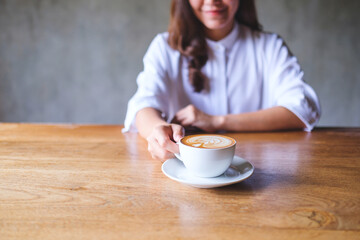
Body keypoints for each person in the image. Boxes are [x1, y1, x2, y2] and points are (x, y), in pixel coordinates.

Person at [123, 0, 321, 160]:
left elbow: (301, 108)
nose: (212, 1)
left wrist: (216, 121)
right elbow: (143, 104)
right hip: (184, 171)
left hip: (258, 169)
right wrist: (158, 129)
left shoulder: (269, 46)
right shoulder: (164, 46)